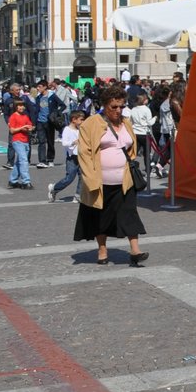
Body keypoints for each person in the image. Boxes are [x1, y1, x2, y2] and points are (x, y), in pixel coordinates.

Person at [73, 84, 147, 267]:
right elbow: (84, 152)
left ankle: (135, 250)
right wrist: (90, 178)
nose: (118, 110)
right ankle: (102, 250)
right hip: (100, 181)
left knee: (129, 213)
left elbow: (131, 147)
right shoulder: (91, 123)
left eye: (121, 106)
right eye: (114, 107)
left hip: (125, 180)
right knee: (101, 217)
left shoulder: (126, 123)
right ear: (105, 105)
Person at [48, 110, 86, 202]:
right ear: (74, 119)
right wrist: (73, 142)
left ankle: (78, 195)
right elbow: (64, 143)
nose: (83, 122)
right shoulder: (67, 130)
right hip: (71, 157)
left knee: (83, 177)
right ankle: (54, 188)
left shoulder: (80, 129)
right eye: (81, 120)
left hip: (81, 156)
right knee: (69, 178)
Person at [6, 99, 35, 189]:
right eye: (19, 105)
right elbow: (12, 130)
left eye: (23, 105)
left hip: (26, 140)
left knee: (19, 162)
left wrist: (30, 128)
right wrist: (22, 128)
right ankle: (26, 181)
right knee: (24, 160)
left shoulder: (25, 116)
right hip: (17, 140)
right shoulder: (13, 116)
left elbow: (31, 126)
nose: (21, 107)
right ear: (16, 107)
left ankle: (12, 181)